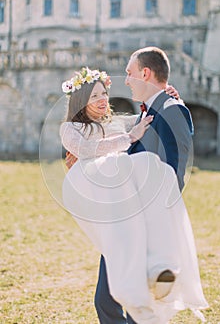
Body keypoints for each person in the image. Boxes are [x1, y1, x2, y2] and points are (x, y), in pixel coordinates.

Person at [60, 49, 208, 323]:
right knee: (107, 300)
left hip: (143, 221)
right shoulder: (145, 114)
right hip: (122, 219)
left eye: (129, 73)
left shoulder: (171, 110)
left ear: (145, 73)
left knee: (134, 302)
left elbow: (174, 171)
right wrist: (88, 167)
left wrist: (154, 219)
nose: (125, 80)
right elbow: (121, 150)